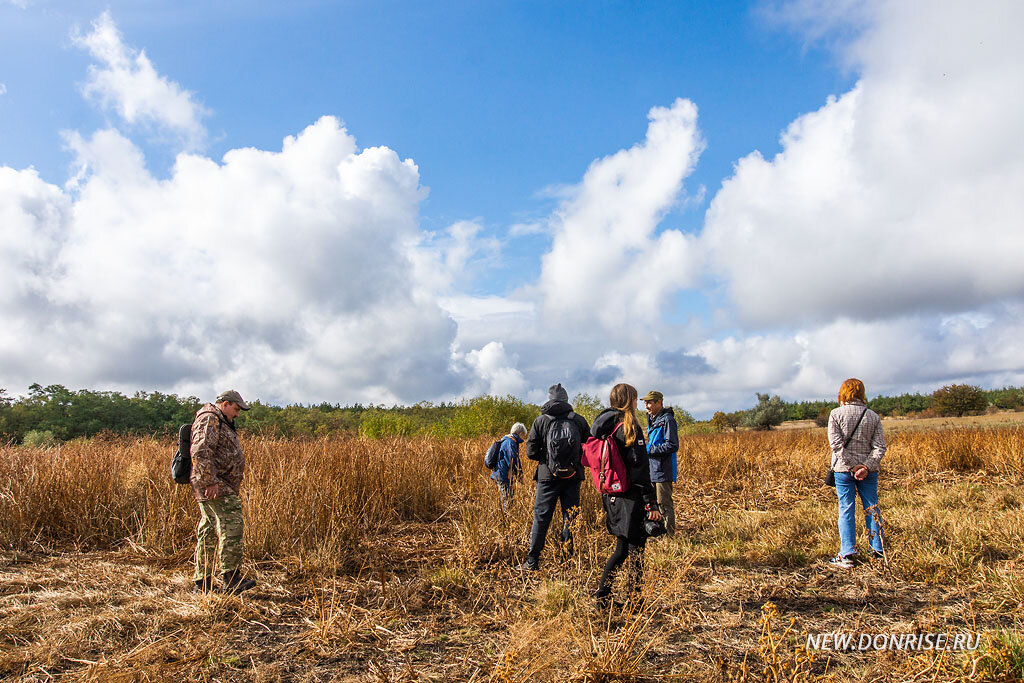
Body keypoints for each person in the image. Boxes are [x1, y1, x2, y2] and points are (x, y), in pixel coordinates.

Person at [592, 383, 662, 607]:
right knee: (636, 550)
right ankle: (636, 600)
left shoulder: (604, 427)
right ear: (628, 401)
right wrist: (651, 504)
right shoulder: (629, 429)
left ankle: (603, 596)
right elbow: (641, 472)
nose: (636, 402)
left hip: (611, 495)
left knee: (622, 548)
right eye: (634, 398)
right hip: (631, 497)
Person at [190, 390, 257, 594]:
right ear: (225, 404)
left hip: (215, 485)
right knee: (232, 527)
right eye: (235, 409)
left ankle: (203, 583)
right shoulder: (210, 418)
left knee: (209, 531)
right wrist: (210, 481)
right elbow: (200, 450)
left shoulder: (217, 419)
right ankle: (232, 578)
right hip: (215, 486)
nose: (237, 414)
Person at [520, 383, 591, 571]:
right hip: (574, 476)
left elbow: (530, 452)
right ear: (567, 400)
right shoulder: (578, 420)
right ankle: (567, 560)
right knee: (570, 517)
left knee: (541, 518)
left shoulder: (540, 421)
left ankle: (533, 561)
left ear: (550, 399)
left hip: (547, 477)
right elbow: (589, 447)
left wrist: (547, 459)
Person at [827, 378, 887, 568]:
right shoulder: (873, 416)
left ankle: (847, 554)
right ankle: (877, 551)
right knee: (872, 507)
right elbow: (880, 447)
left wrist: (853, 467)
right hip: (869, 472)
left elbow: (835, 445)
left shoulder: (835, 414)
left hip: (843, 470)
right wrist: (865, 467)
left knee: (846, 509)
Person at [642, 390, 678, 535]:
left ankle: (669, 536)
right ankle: (659, 533)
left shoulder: (667, 420)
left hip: (663, 469)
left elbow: (672, 445)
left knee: (664, 505)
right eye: (645, 403)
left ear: (659, 402)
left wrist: (649, 450)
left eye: (650, 402)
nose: (647, 406)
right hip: (653, 469)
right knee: (655, 505)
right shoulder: (654, 420)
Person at [492, 422, 527, 506]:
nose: (523, 438)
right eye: (523, 436)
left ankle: (504, 515)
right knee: (507, 499)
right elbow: (512, 460)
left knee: (506, 497)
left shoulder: (506, 440)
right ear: (520, 433)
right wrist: (520, 476)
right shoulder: (510, 442)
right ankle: (506, 517)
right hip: (504, 475)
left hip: (500, 474)